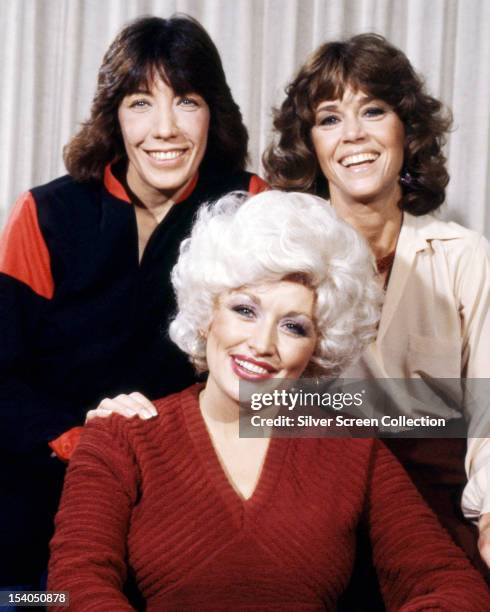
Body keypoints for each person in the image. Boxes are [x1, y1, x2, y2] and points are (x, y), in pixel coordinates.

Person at [47, 190, 490, 609]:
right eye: (245, 310)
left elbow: (454, 587)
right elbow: (70, 590)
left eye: (294, 326)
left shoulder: (353, 449)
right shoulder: (120, 437)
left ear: (318, 346)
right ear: (206, 316)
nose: (262, 343)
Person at [0, 15, 266, 590]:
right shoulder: (44, 213)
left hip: (185, 484)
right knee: (29, 596)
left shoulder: (251, 206)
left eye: (187, 101)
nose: (164, 129)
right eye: (141, 102)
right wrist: (80, 438)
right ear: (113, 115)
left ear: (212, 112)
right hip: (45, 477)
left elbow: (275, 365)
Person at [263, 33, 490, 576]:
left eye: (373, 110)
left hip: (438, 503)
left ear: (406, 129)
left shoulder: (463, 256)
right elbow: (247, 392)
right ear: (311, 143)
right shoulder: (280, 250)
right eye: (329, 118)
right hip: (313, 499)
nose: (354, 135)